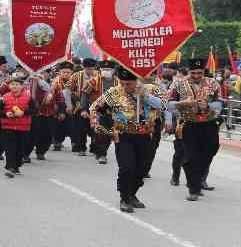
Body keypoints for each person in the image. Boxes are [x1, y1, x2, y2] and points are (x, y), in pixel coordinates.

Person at [90, 67, 165, 213]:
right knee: (126, 168)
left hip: (146, 135)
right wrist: (95, 122)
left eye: (128, 84)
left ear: (136, 80)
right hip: (123, 135)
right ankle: (124, 198)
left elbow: (164, 106)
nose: (125, 86)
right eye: (122, 83)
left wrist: (145, 96)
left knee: (142, 169)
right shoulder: (114, 92)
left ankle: (132, 194)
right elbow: (95, 107)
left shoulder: (151, 89)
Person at [166, 59, 222, 201]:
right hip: (189, 124)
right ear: (189, 71)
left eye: (199, 72)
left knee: (211, 150)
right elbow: (169, 104)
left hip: (209, 123)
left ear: (204, 71)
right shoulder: (178, 83)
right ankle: (193, 188)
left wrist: (208, 106)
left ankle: (198, 178)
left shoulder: (213, 83)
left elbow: (220, 103)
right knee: (190, 157)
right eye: (193, 73)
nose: (196, 75)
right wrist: (181, 103)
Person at [81, 60, 116, 164]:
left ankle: (100, 150)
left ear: (113, 70)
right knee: (100, 132)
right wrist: (83, 109)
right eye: (104, 69)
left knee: (108, 134)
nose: (106, 71)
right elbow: (85, 96)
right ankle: (102, 154)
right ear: (100, 70)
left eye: (108, 70)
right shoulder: (93, 81)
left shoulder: (119, 82)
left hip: (113, 112)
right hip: (97, 111)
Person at [0, 77, 35, 178]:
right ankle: (10, 167)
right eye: (12, 84)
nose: (14, 86)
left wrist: (23, 112)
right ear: (9, 86)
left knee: (20, 149)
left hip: (23, 128)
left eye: (17, 84)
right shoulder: (4, 97)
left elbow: (34, 110)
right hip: (7, 127)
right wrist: (6, 114)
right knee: (9, 148)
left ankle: (16, 166)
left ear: (22, 86)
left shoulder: (28, 97)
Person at [26, 70, 65, 161]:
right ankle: (26, 153)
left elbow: (60, 99)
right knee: (31, 135)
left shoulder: (54, 84)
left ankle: (41, 152)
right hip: (33, 113)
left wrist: (61, 111)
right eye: (40, 72)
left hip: (49, 113)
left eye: (44, 72)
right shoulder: (29, 83)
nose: (41, 75)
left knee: (47, 135)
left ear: (48, 74)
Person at [64, 58, 99, 155]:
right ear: (84, 67)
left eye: (91, 68)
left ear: (94, 68)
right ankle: (81, 148)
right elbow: (67, 90)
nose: (89, 71)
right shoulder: (76, 76)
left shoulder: (99, 76)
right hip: (80, 105)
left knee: (95, 128)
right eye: (87, 68)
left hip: (96, 106)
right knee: (80, 127)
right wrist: (69, 104)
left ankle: (95, 147)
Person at [51, 61, 74, 151]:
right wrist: (60, 110)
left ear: (72, 73)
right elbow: (53, 96)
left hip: (73, 106)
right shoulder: (55, 82)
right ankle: (57, 141)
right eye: (63, 72)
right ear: (60, 72)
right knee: (58, 125)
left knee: (73, 125)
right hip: (59, 106)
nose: (66, 74)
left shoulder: (75, 81)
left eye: (68, 72)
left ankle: (75, 142)